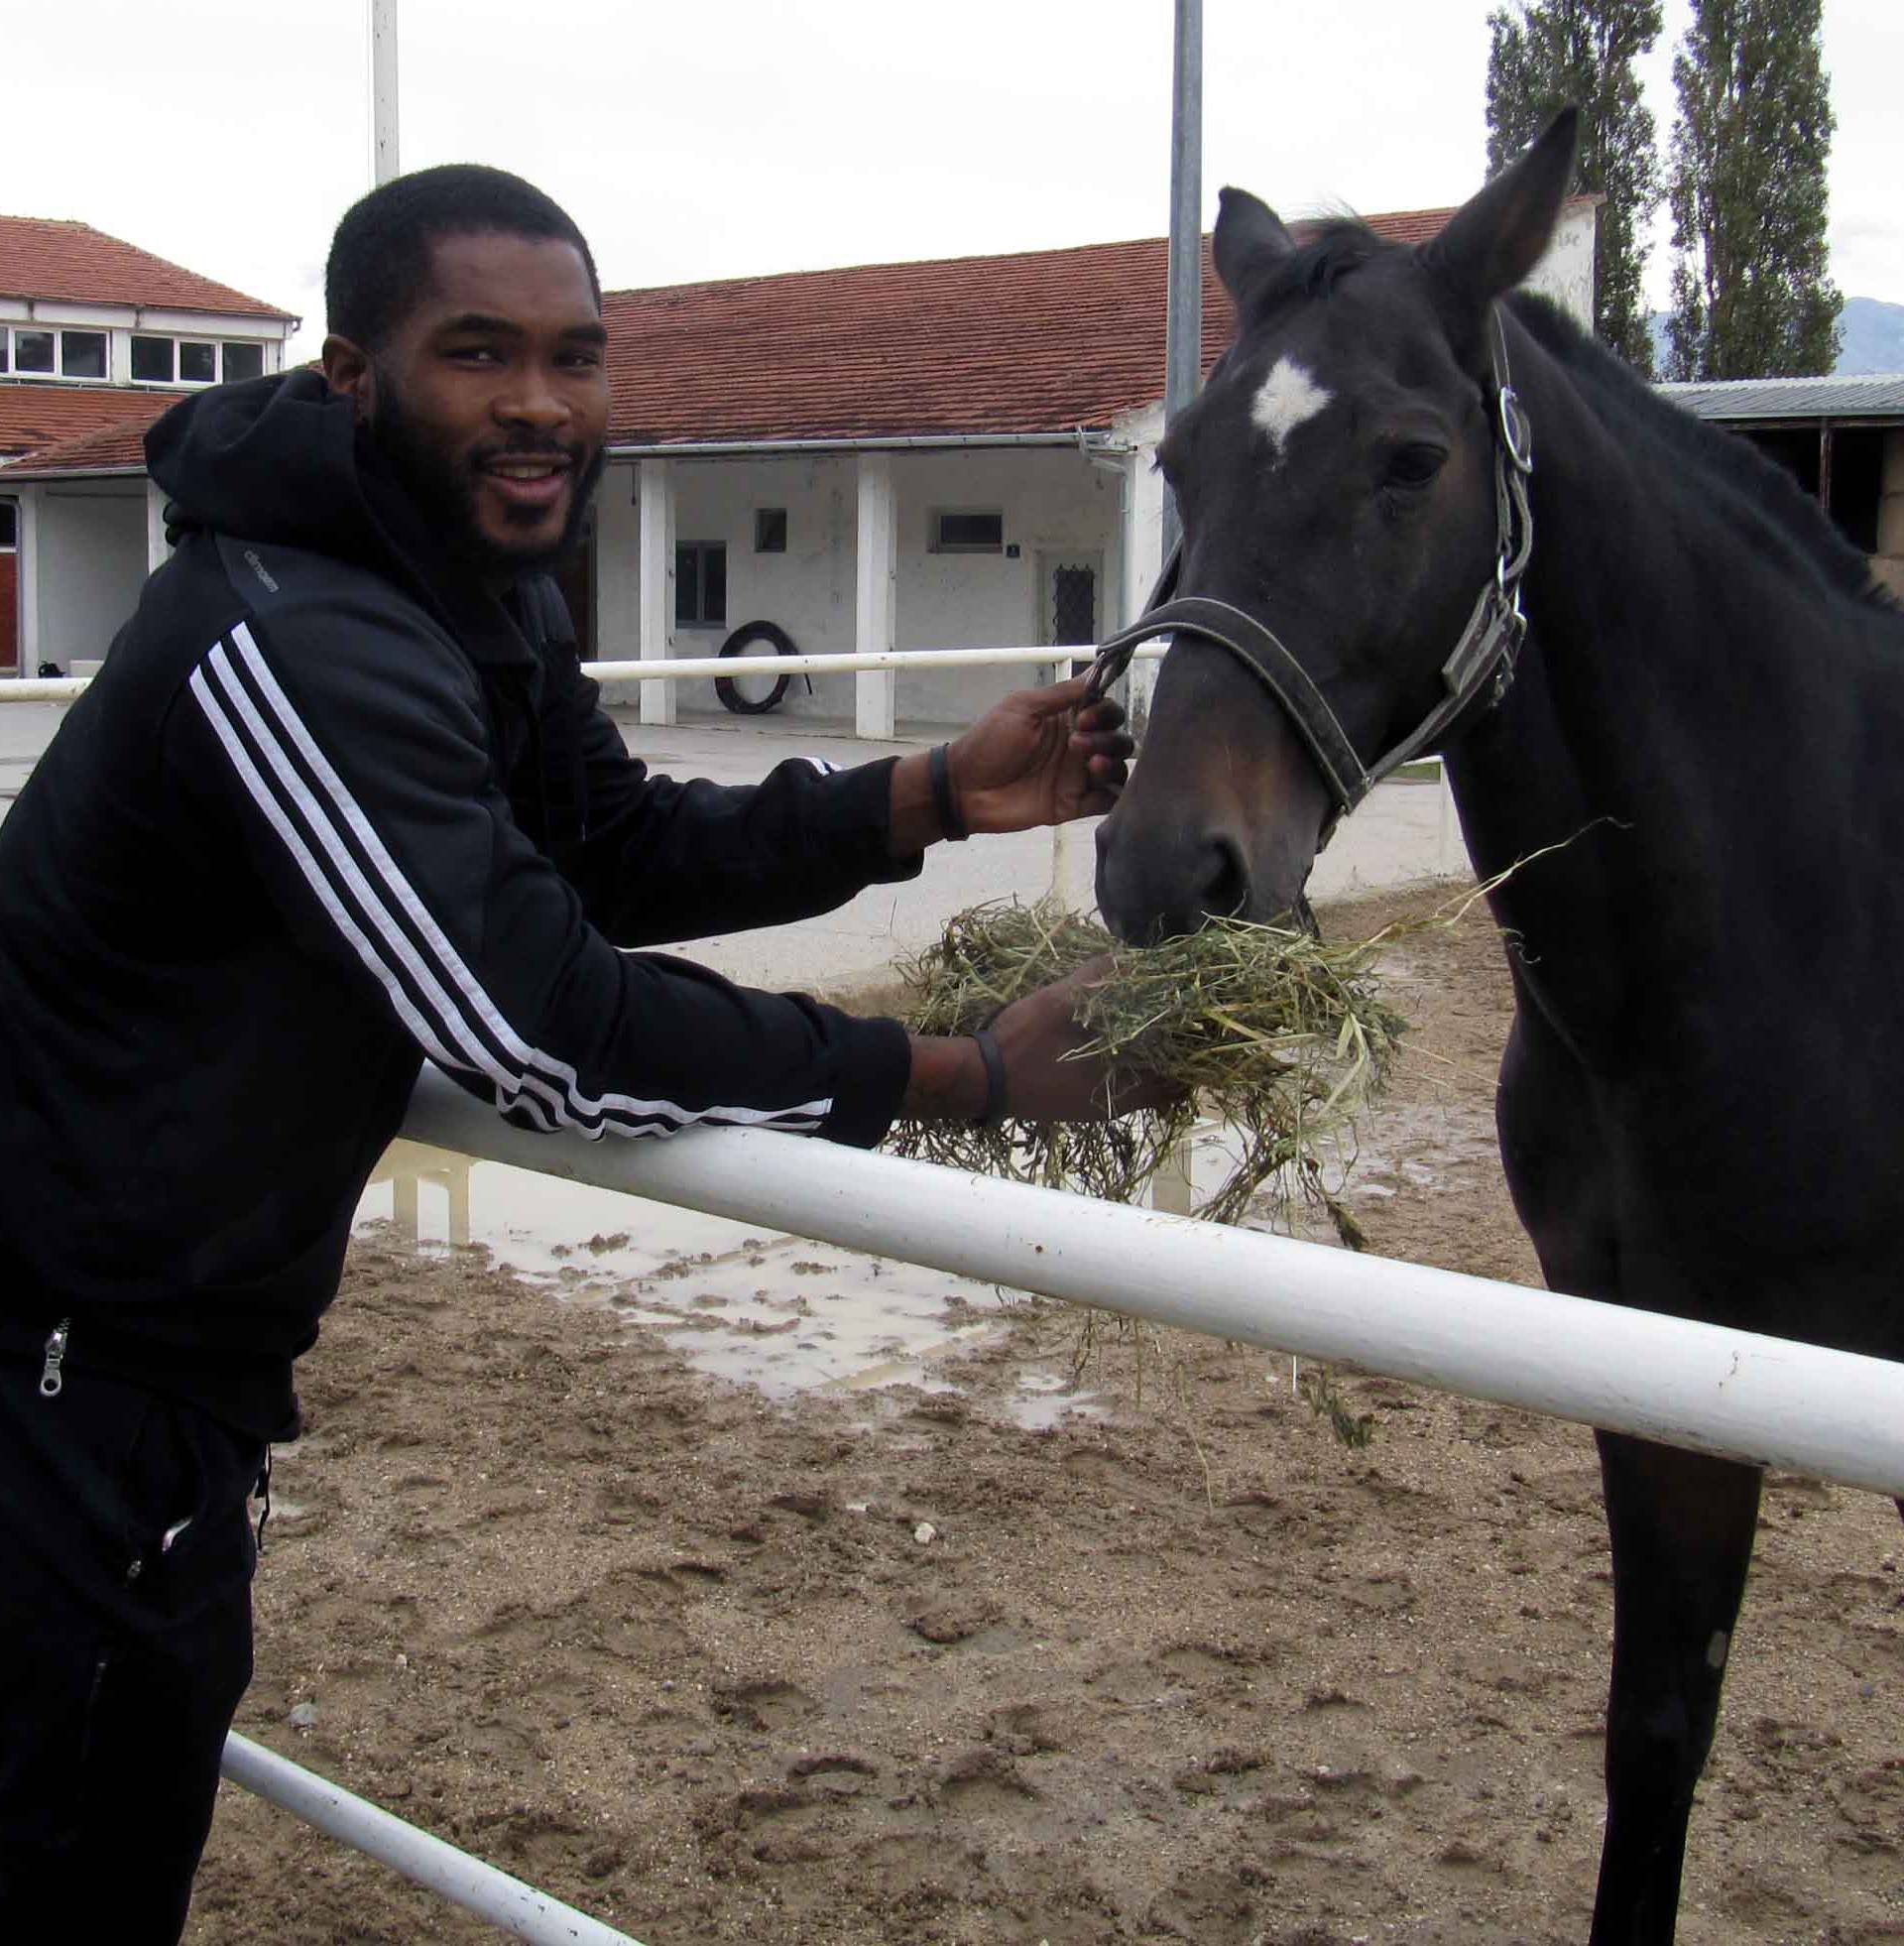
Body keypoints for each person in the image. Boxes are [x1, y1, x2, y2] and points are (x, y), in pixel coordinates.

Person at [0, 165, 1165, 1940]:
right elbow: (536, 1023)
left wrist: (926, 795)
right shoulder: (290, 636)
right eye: (477, 353)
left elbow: (604, 845)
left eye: (574, 356)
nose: (539, 402)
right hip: (56, 1395)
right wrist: (961, 1075)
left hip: (162, 1386)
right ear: (352, 374)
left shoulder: (470, 587)